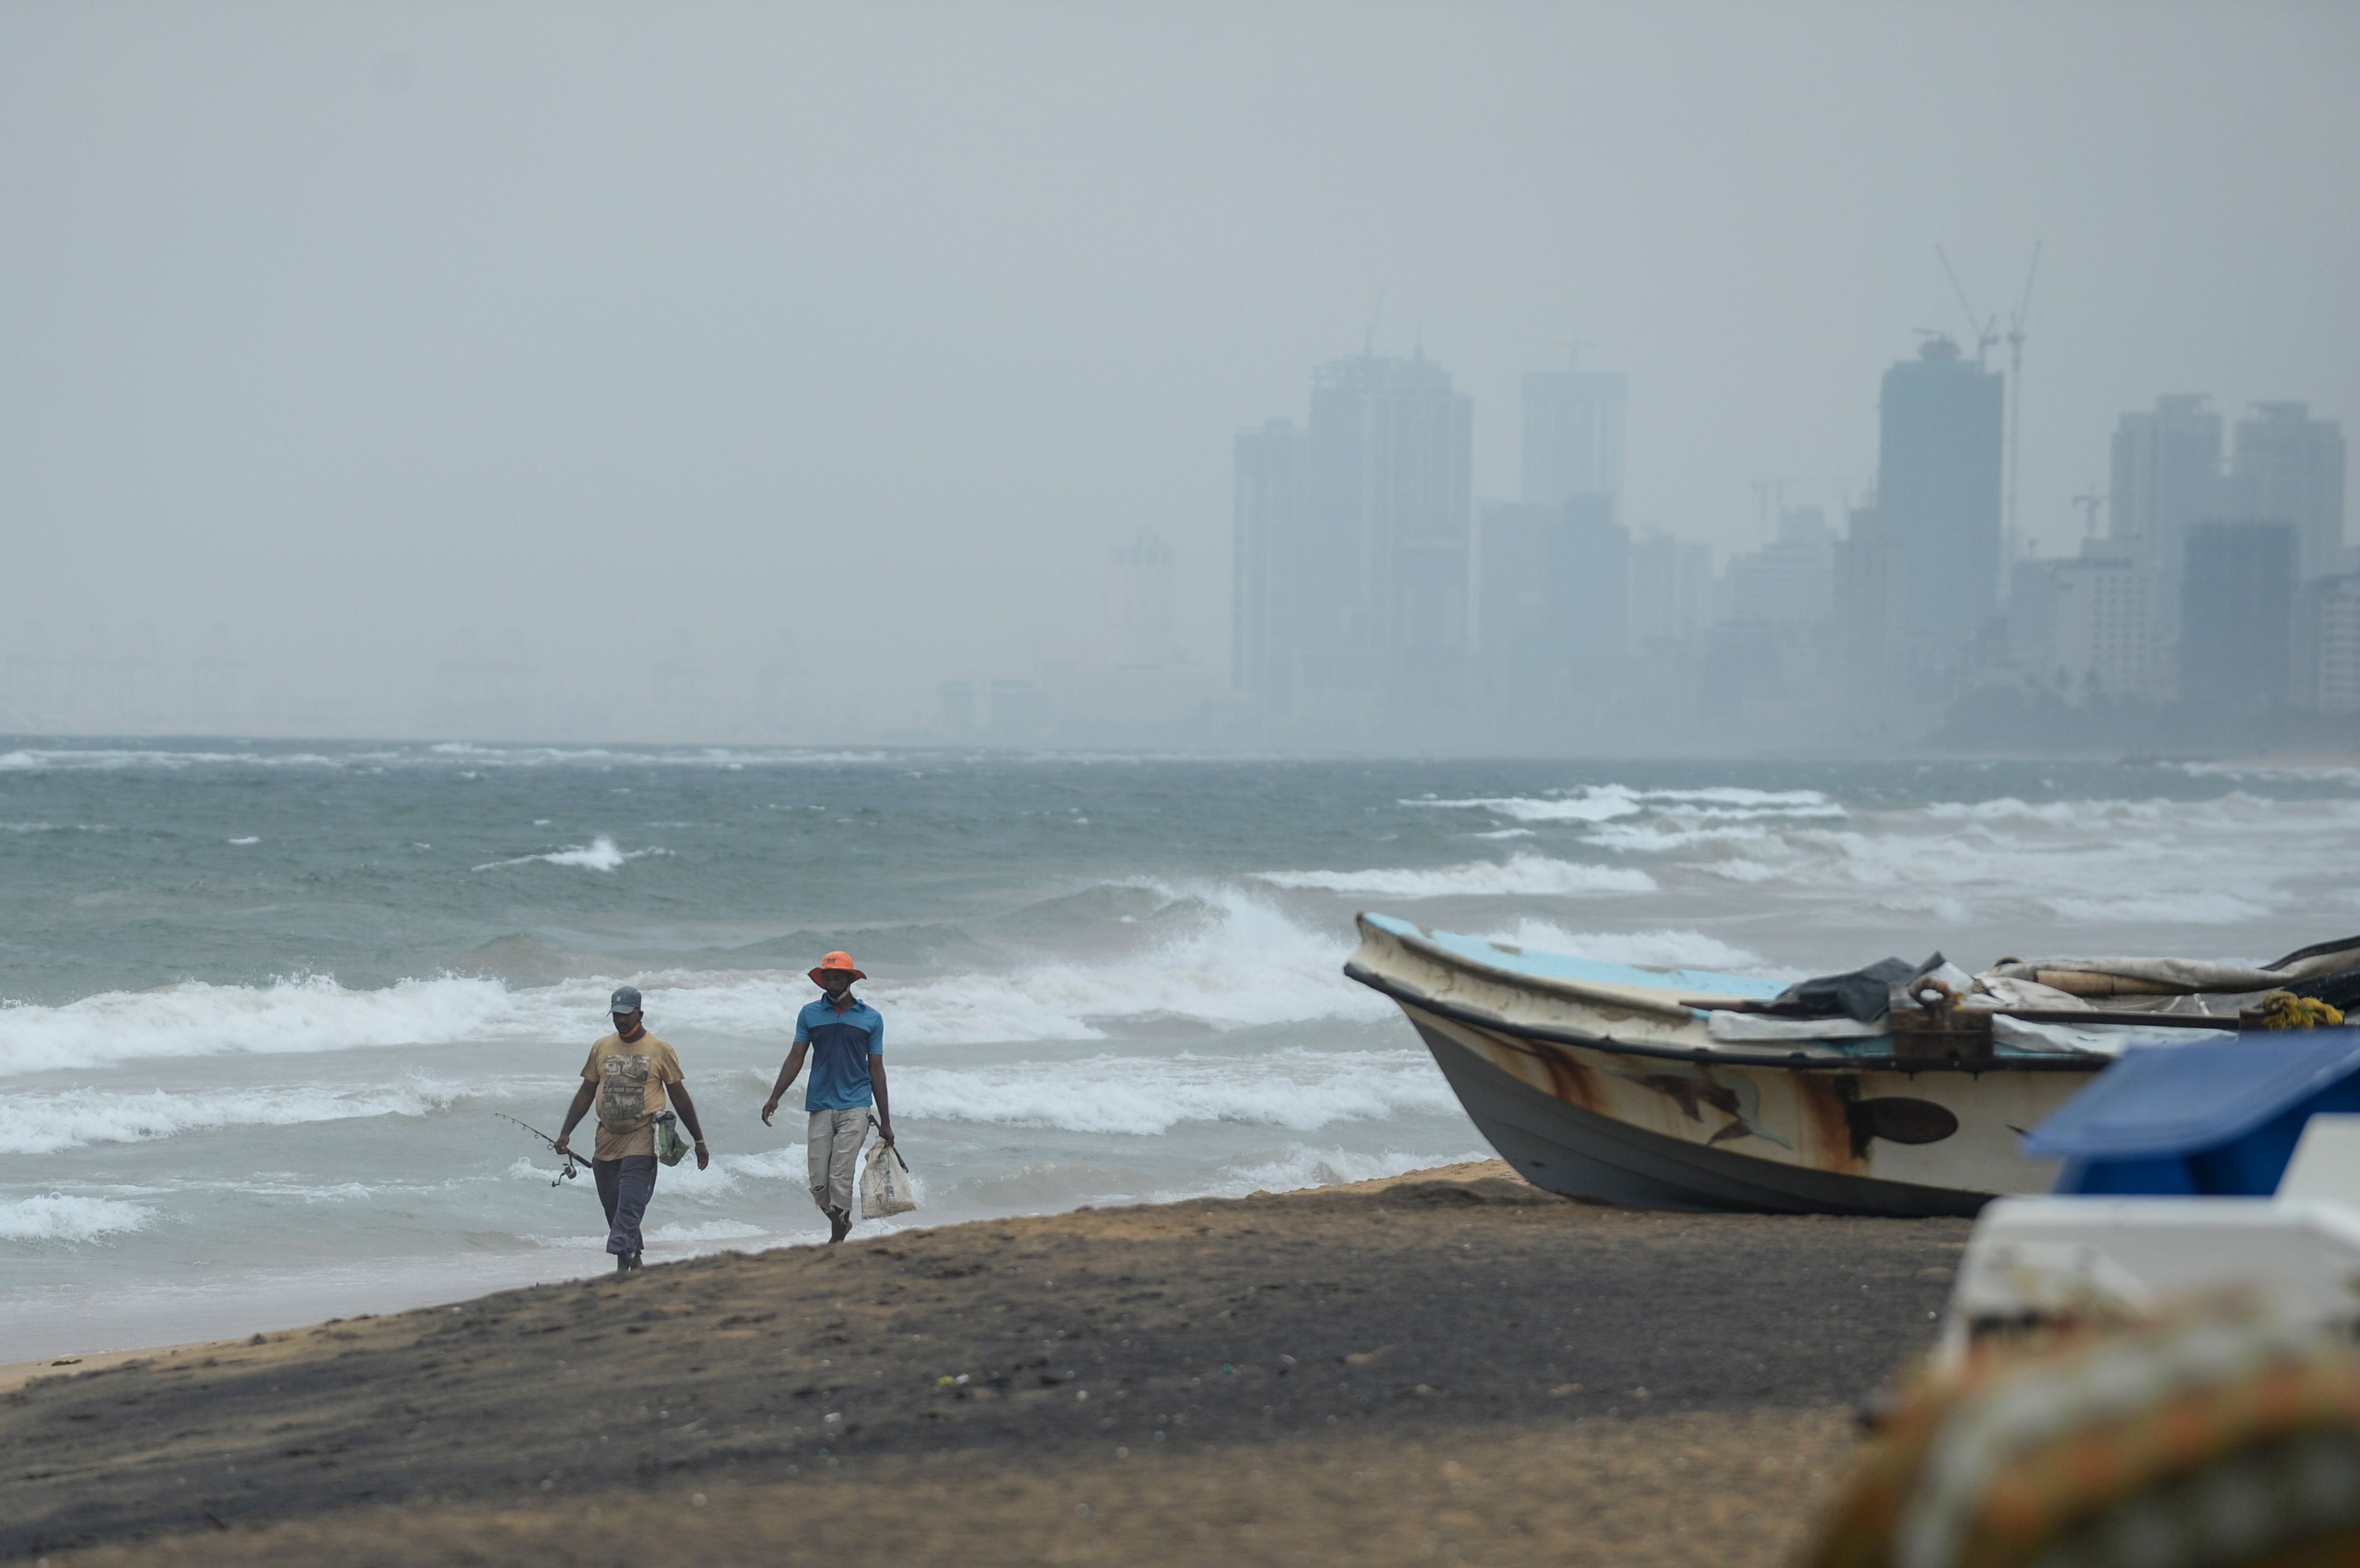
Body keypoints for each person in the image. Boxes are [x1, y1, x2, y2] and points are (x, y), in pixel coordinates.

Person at [555, 984, 710, 1273]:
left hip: (642, 1137)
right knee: (613, 1208)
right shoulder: (601, 1047)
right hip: (607, 1139)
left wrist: (699, 1140)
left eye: (626, 1014)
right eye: (616, 1014)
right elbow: (587, 1091)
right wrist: (566, 1132)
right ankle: (635, 1262)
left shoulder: (660, 1049)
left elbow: (679, 1096)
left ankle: (621, 1268)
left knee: (630, 1204)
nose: (620, 1020)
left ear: (640, 1013)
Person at [761, 950, 892, 1244]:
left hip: (856, 1105)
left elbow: (876, 1068)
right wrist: (775, 1096)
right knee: (819, 1184)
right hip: (820, 1104)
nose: (831, 984)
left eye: (837, 978)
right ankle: (842, 1225)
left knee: (840, 1177)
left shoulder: (871, 1018)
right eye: (827, 979)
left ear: (850, 979)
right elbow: (796, 1056)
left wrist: (886, 1121)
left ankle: (836, 1241)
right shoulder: (810, 1014)